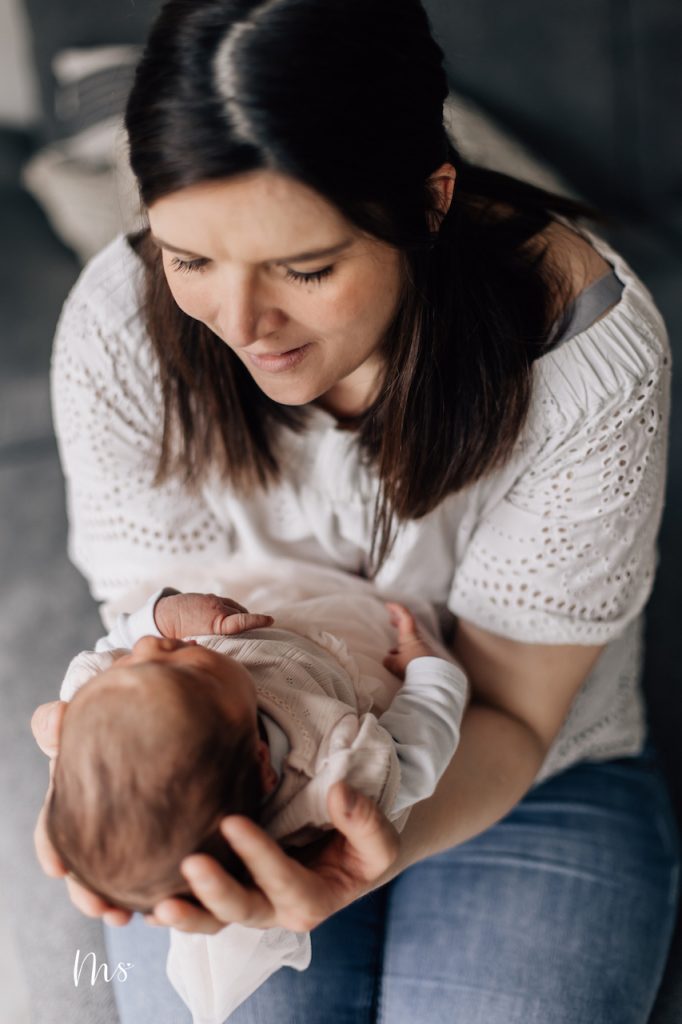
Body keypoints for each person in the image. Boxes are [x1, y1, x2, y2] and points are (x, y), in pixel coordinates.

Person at [31, 0, 678, 1020]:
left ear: (427, 201)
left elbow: (508, 709)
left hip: (525, 773)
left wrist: (356, 855)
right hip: (231, 784)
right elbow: (145, 623)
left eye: (305, 268)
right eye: (190, 258)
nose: (240, 326)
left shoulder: (586, 364)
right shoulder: (120, 328)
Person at [49, 576, 466, 1022]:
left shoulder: (104, 696)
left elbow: (115, 645)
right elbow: (417, 752)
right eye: (190, 667)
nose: (153, 649)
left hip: (275, 597)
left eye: (134, 662)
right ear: (263, 761)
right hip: (369, 640)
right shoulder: (335, 771)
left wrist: (156, 617)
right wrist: (429, 670)